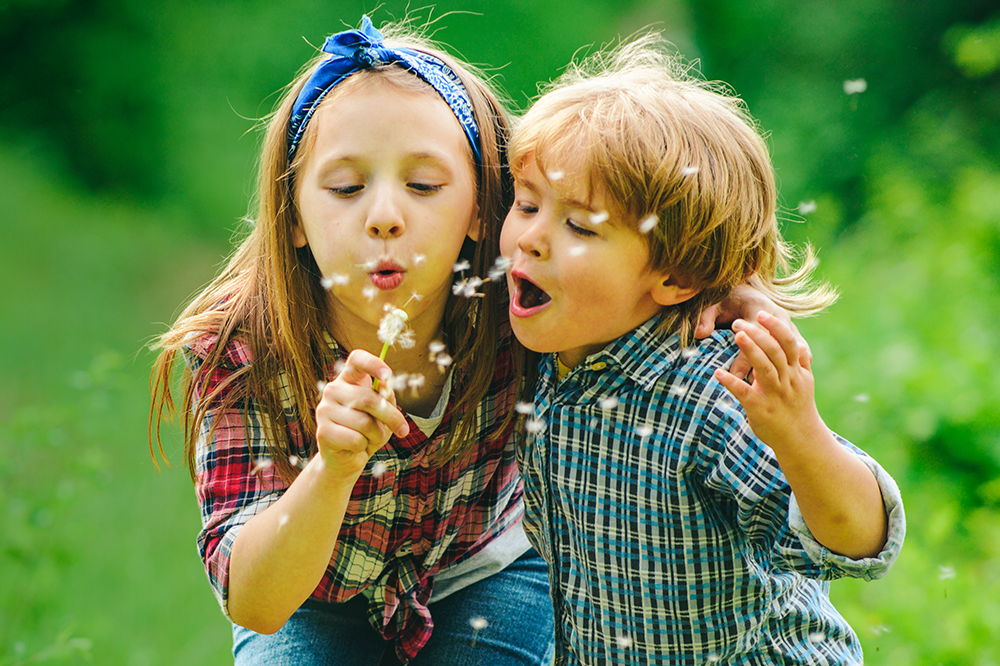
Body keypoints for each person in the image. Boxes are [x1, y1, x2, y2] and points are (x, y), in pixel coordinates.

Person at [148, 16, 816, 666]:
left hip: (487, 565)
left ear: (478, 207)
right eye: (347, 187)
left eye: (424, 185)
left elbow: (631, 260)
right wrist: (331, 470)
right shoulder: (244, 351)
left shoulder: (521, 298)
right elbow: (255, 603)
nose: (384, 216)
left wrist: (721, 283)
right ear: (293, 214)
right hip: (313, 590)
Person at [498, 33, 906, 665]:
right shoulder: (546, 357)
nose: (530, 238)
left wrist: (798, 433)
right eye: (525, 204)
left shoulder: (708, 397)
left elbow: (859, 541)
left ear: (676, 278)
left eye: (579, 225)